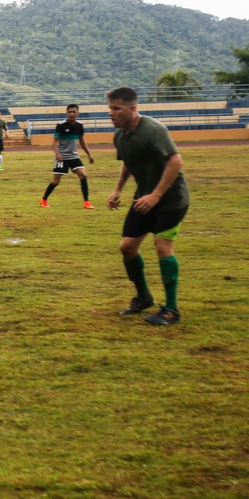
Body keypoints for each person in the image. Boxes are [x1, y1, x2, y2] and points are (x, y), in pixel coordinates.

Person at [106, 86, 190, 325]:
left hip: (172, 199)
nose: (111, 113)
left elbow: (175, 161)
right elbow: (129, 162)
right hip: (144, 197)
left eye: (116, 108)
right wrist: (118, 190)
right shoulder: (120, 135)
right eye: (110, 108)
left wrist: (156, 195)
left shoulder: (154, 130)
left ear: (132, 109)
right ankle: (144, 297)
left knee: (162, 246)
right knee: (127, 248)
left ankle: (172, 309)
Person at [40, 104, 95, 209]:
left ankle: (86, 202)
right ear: (67, 113)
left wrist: (89, 155)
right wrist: (57, 154)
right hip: (62, 157)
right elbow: (54, 142)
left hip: (74, 157)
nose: (72, 114)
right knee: (56, 181)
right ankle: (44, 200)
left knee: (83, 175)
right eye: (70, 112)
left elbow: (82, 140)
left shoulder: (80, 125)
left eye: (74, 112)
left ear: (78, 113)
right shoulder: (61, 125)